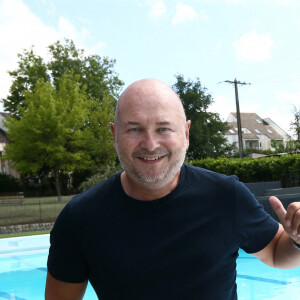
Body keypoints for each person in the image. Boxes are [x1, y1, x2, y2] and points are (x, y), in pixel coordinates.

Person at [45, 79, 300, 300]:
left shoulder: (225, 196)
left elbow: (278, 252)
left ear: (186, 133)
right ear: (114, 136)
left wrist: (298, 241)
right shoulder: (80, 218)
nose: (150, 143)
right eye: (134, 129)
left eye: (163, 128)